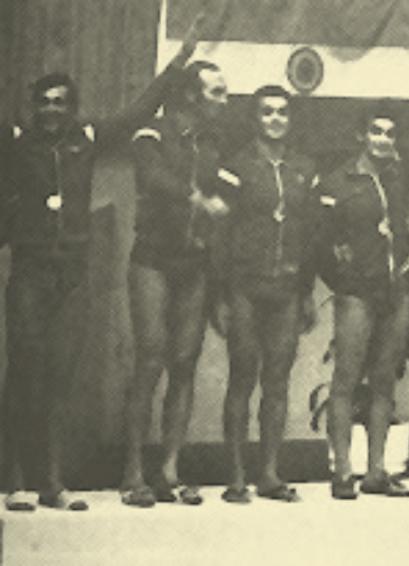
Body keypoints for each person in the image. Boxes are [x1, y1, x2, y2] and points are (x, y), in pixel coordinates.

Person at [0, 15, 204, 512]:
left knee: (61, 378)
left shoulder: (86, 138)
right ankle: (13, 483)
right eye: (44, 103)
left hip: (73, 276)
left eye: (60, 103)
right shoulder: (17, 142)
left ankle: (52, 483)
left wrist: (178, 65)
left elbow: (137, 113)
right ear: (33, 107)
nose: (52, 110)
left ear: (72, 108)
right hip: (30, 274)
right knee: (24, 373)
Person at [319, 62, 409, 500]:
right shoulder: (337, 182)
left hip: (395, 292)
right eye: (376, 132)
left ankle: (376, 471)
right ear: (361, 135)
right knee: (346, 380)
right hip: (356, 295)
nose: (383, 139)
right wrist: (343, 279)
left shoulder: (400, 172)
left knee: (384, 381)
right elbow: (318, 243)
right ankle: (343, 471)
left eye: (390, 133)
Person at [118, 52, 231, 508]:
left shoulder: (214, 143)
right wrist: (196, 198)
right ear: (191, 95)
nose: (225, 100)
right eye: (217, 93)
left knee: (185, 363)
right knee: (150, 359)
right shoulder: (152, 132)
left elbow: (227, 199)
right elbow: (152, 178)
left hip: (194, 264)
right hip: (153, 259)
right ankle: (132, 473)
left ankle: (169, 470)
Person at [209, 85, 319, 503]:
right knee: (242, 376)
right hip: (244, 286)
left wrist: (306, 291)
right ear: (254, 118)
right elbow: (220, 234)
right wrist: (220, 295)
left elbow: (310, 234)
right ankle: (236, 476)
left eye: (282, 112)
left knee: (278, 380)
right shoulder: (236, 167)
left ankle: (269, 474)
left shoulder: (304, 168)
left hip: (287, 288)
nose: (275, 119)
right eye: (267, 112)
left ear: (291, 119)